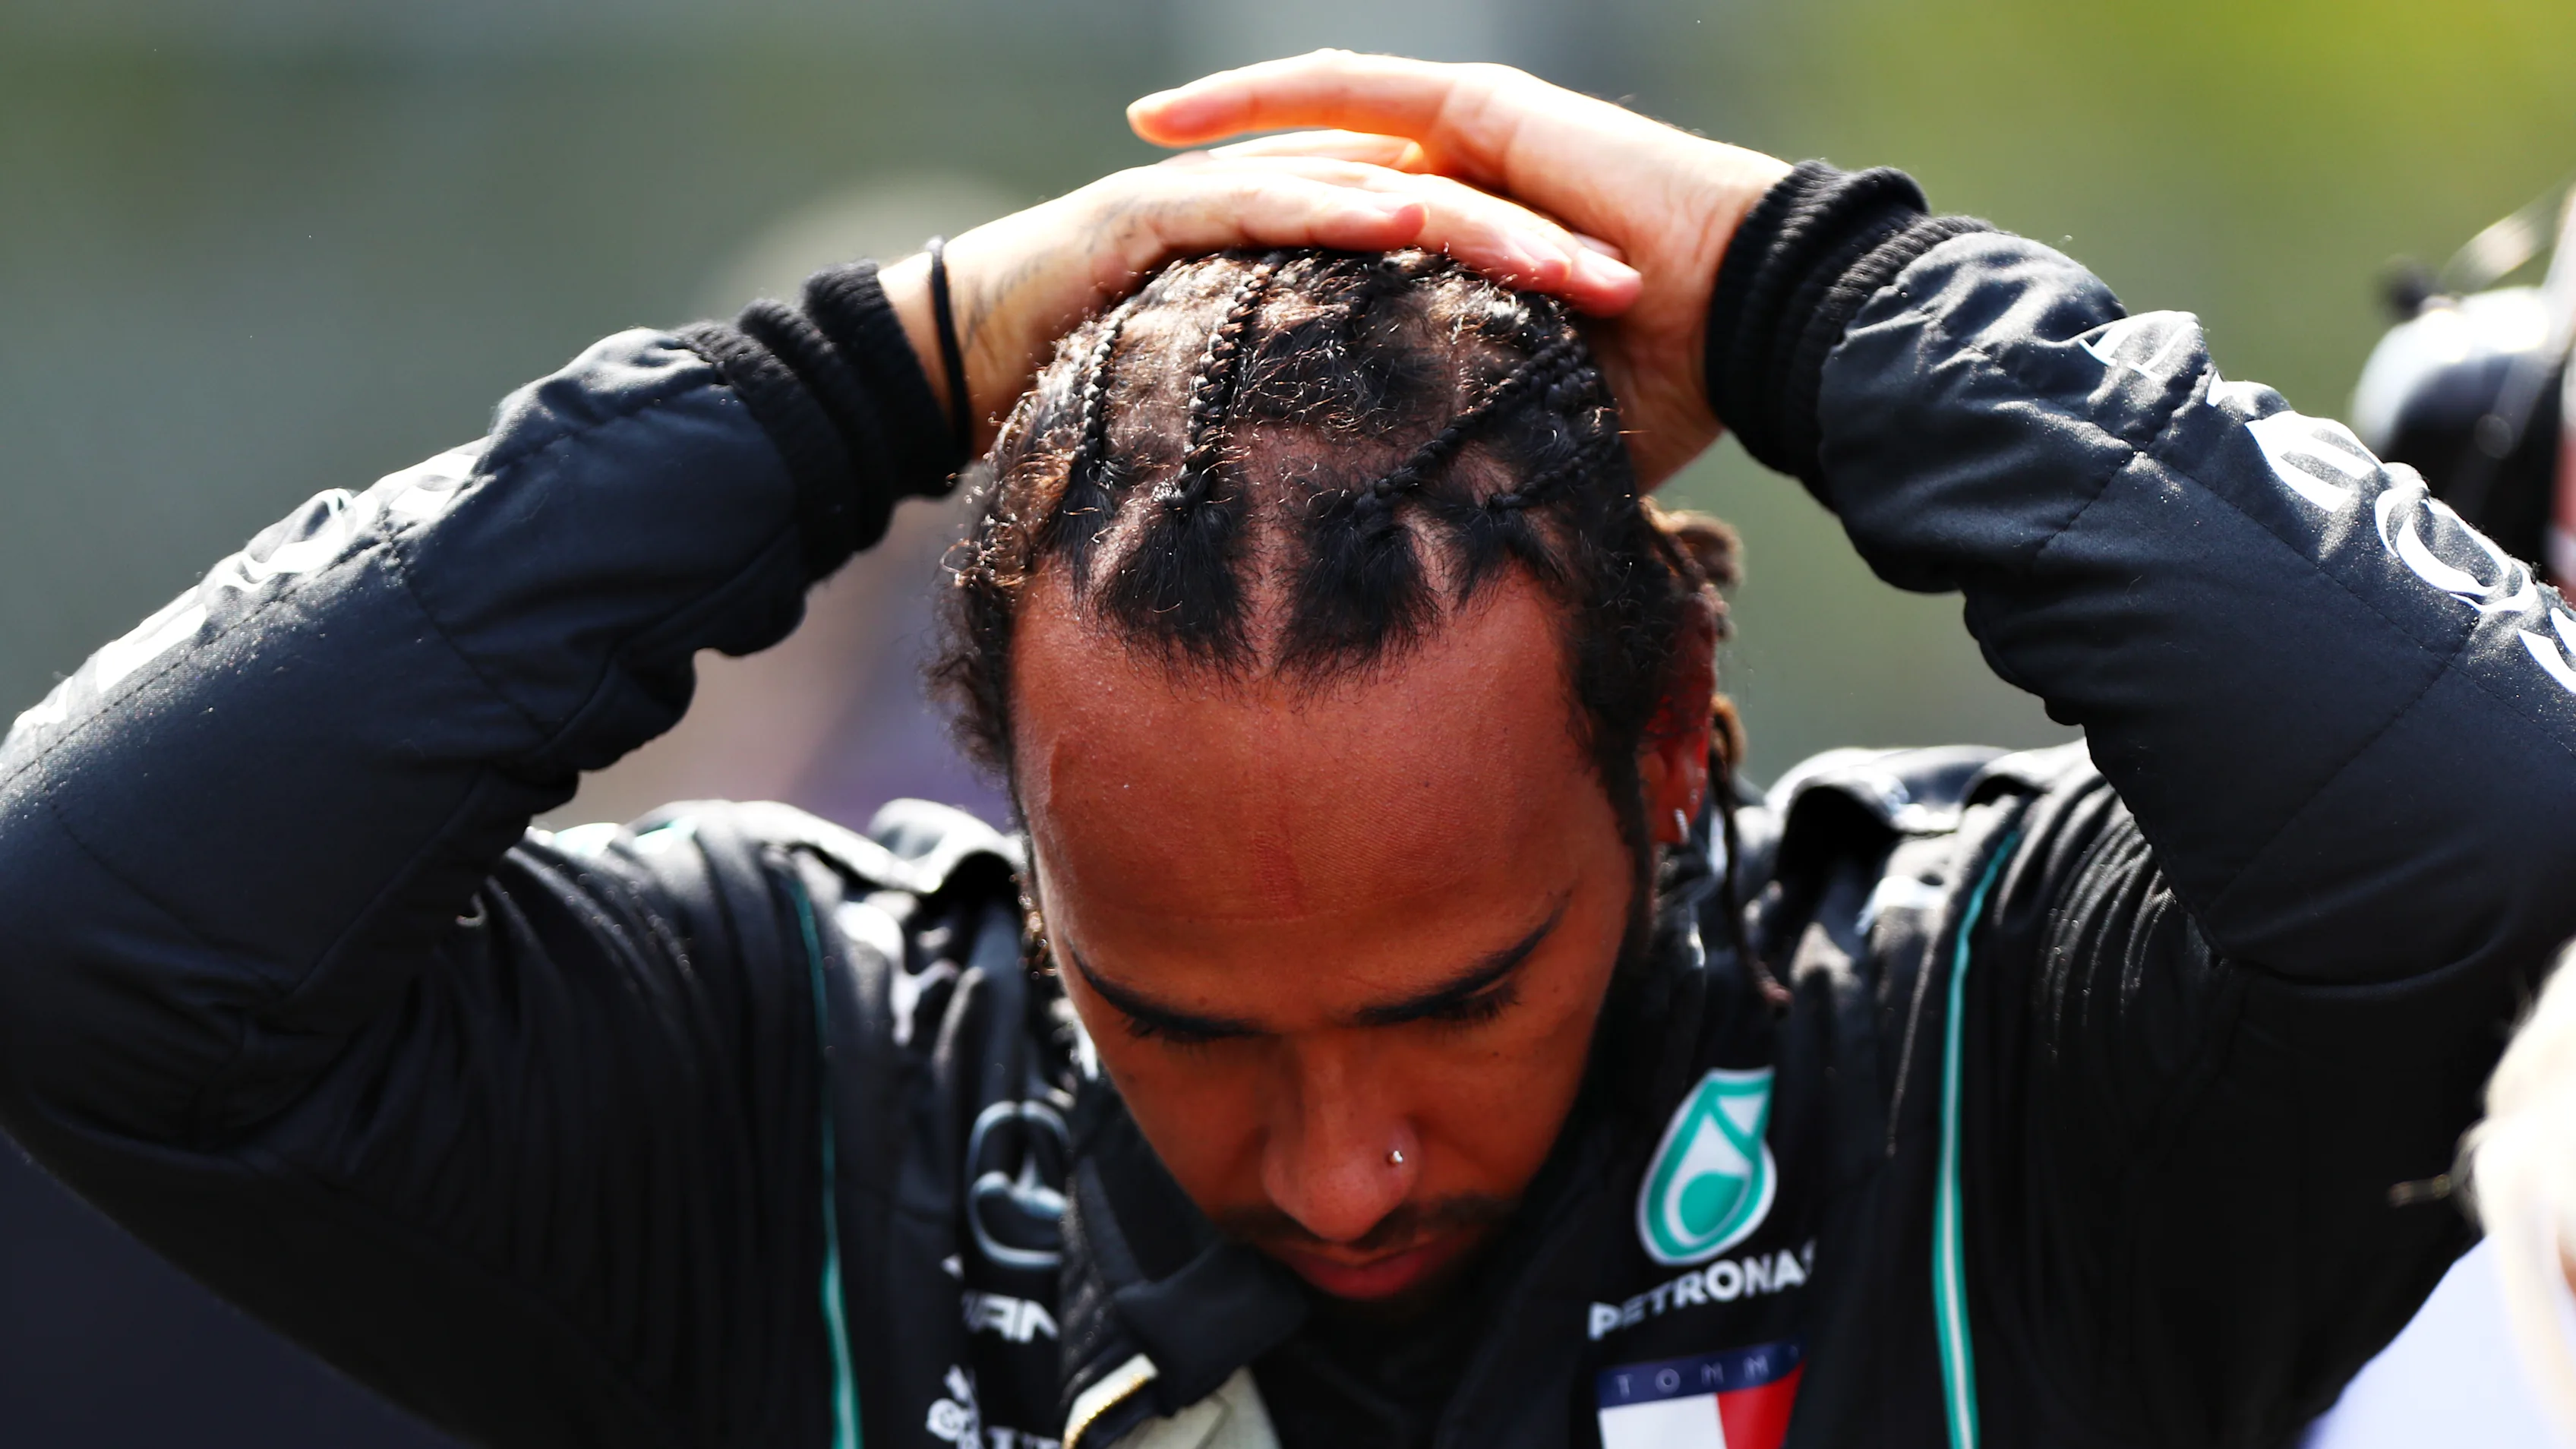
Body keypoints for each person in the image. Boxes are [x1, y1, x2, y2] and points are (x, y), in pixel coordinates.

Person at [2, 48, 2570, 1449]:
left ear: (1678, 734)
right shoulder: (803, 1095)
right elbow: (94, 936)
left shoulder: (1990, 1056)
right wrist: (845, 389)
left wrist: (1814, 293)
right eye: (1184, 1020)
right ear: (1001, 781)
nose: (1344, 1164)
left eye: (1461, 995)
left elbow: (2511, 855)